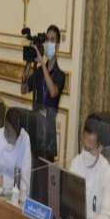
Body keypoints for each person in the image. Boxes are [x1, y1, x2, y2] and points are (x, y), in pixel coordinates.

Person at [21, 25, 66, 162]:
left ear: (57, 45)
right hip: (34, 128)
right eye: (48, 40)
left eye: (53, 40)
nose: (49, 43)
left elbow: (53, 92)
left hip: (48, 133)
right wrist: (29, 62)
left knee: (45, 171)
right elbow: (24, 89)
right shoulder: (39, 71)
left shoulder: (60, 74)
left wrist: (42, 63)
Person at [69, 117, 110, 219]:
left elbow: (107, 217)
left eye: (91, 149)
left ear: (100, 146)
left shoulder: (106, 171)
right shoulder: (75, 163)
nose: (87, 154)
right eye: (85, 147)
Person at [0, 108, 32, 197]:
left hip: (15, 195)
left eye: (13, 134)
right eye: (8, 132)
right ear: (5, 125)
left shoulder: (25, 140)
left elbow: (25, 185)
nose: (10, 138)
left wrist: (5, 182)